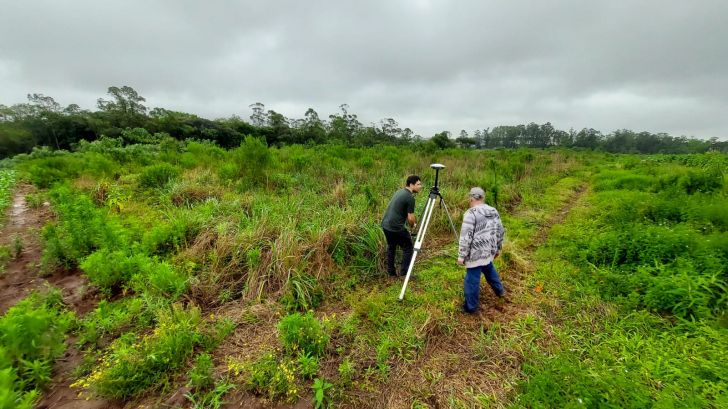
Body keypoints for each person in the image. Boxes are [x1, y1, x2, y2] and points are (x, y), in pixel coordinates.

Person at [457, 187, 506, 313]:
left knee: (471, 280)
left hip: (475, 254)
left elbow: (466, 237)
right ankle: (500, 291)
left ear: (471, 198)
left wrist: (462, 256)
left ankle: (471, 308)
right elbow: (500, 231)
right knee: (489, 268)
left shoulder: (471, 214)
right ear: (483, 198)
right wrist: (497, 249)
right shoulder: (493, 211)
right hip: (489, 251)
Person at [381, 175, 423, 277]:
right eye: (418, 184)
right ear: (411, 184)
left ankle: (391, 273)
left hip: (385, 225)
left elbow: (398, 212)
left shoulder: (399, 192)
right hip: (396, 228)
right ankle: (404, 273)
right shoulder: (410, 198)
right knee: (408, 247)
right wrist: (412, 226)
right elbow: (411, 218)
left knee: (391, 247)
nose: (420, 186)